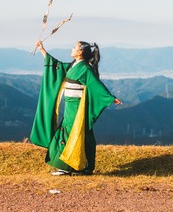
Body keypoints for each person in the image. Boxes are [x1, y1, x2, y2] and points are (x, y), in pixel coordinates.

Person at [29, 39, 122, 175]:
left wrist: (110, 97)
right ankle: (83, 167)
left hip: (77, 107)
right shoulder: (74, 65)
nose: (72, 49)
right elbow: (57, 66)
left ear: (80, 52)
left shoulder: (84, 68)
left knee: (69, 131)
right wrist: (42, 50)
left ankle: (66, 167)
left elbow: (95, 84)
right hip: (70, 104)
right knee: (80, 133)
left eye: (74, 47)